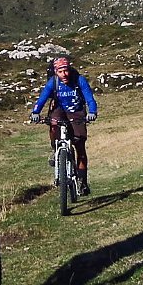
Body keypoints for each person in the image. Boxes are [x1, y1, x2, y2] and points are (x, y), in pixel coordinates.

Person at [29, 56, 98, 196]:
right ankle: (56, 150)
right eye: (60, 72)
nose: (64, 74)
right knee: (53, 124)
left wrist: (92, 112)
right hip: (59, 110)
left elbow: (90, 99)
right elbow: (42, 99)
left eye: (66, 70)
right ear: (56, 72)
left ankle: (82, 182)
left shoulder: (79, 80)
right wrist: (35, 112)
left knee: (80, 147)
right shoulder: (53, 82)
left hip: (76, 112)